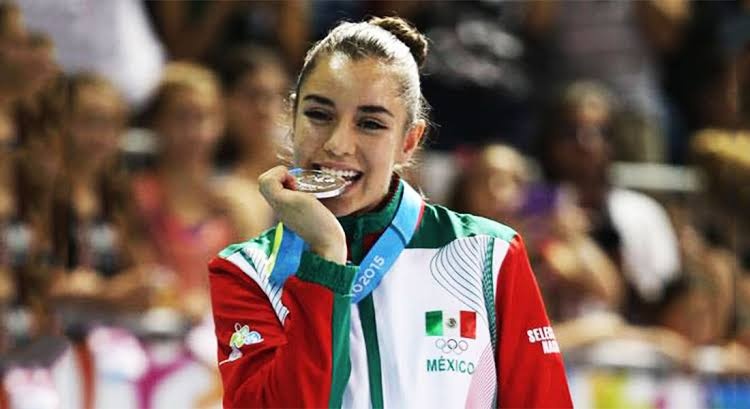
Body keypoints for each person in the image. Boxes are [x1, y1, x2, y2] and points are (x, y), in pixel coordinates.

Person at [208, 16, 572, 408]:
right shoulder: (247, 270)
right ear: (292, 120)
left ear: (409, 142)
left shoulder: (488, 256)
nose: (338, 144)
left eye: (370, 123)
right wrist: (326, 258)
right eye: (319, 114)